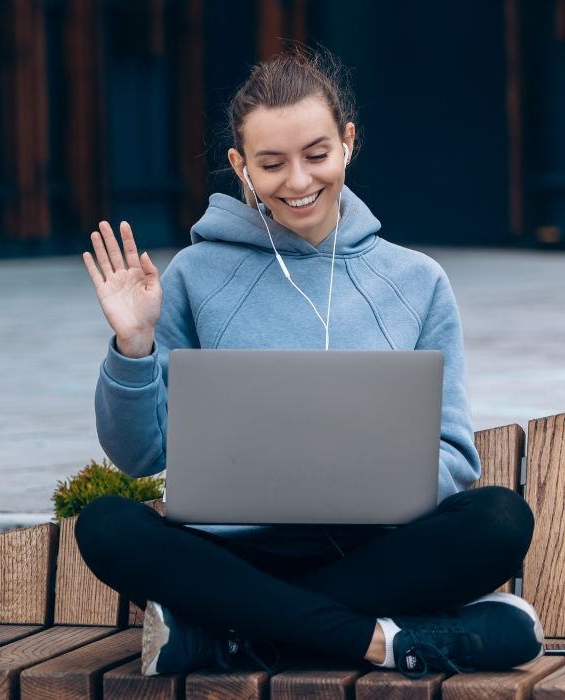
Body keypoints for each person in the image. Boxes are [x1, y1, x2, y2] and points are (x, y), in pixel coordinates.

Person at [74, 50, 543, 679]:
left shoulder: (417, 280)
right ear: (240, 165)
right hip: (233, 556)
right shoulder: (193, 275)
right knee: (107, 526)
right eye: (271, 164)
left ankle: (229, 636)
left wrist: (360, 481)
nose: (297, 182)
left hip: (373, 553)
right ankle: (379, 642)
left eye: (316, 154)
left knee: (499, 521)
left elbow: (454, 454)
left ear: (347, 143)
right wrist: (134, 345)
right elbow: (140, 455)